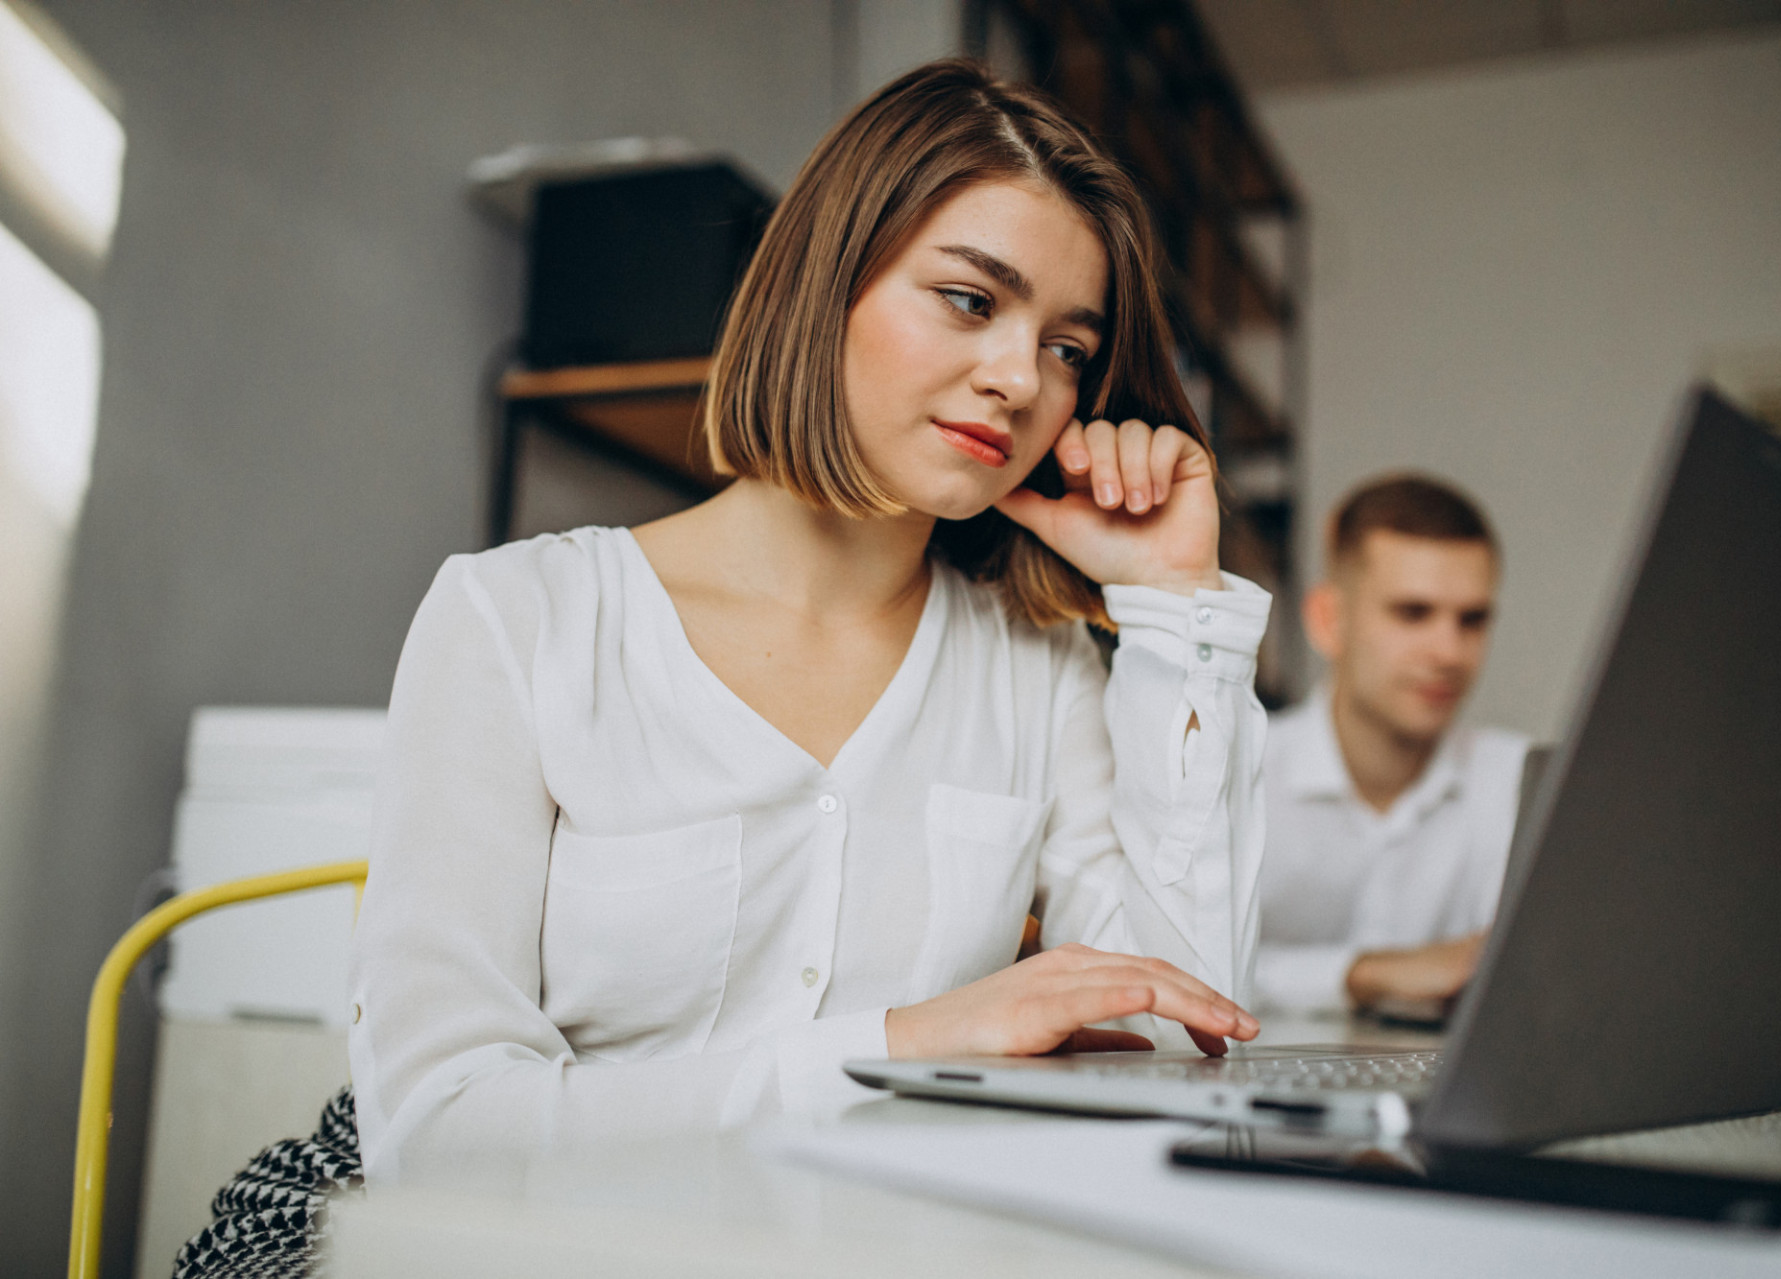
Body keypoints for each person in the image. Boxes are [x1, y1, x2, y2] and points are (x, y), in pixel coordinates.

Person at [347, 60, 1271, 1181]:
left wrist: (1175, 604)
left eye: (1067, 349)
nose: (1021, 380)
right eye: (971, 300)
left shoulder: (1040, 668)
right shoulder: (518, 620)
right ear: (823, 283)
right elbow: (435, 1130)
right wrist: (899, 1049)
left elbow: (1184, 1041)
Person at [1253, 475, 1529, 1018]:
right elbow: (1178, 973)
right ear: (1328, 620)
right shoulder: (1237, 775)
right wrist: (1364, 975)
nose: (1449, 652)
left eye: (1472, 620)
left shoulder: (1522, 781)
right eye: (1412, 613)